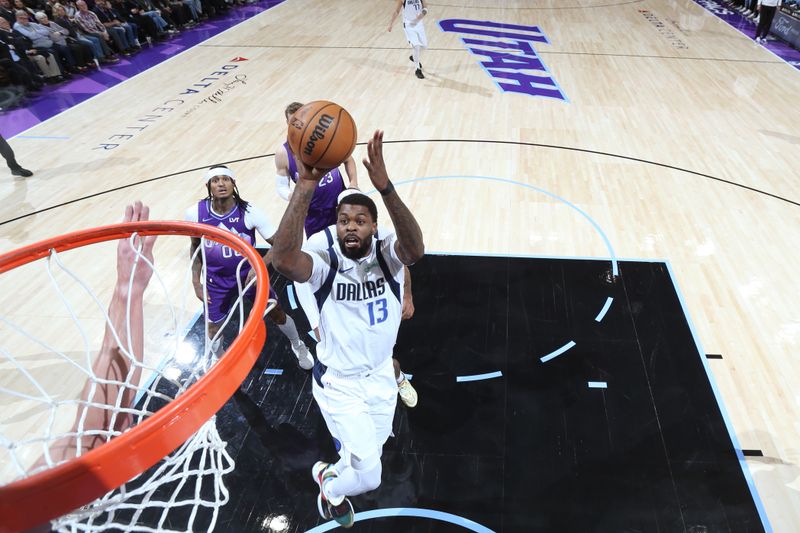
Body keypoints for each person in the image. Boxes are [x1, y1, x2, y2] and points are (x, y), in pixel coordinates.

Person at [271, 130, 425, 527]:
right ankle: (331, 486)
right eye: (343, 222)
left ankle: (333, 472)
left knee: (370, 452)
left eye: (360, 221)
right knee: (370, 474)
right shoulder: (324, 263)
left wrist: (387, 189)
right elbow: (284, 259)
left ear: (374, 226)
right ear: (336, 227)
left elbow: (415, 250)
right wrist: (305, 184)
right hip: (340, 385)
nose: (350, 227)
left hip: (379, 380)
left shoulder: (389, 257)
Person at [185, 165, 313, 369]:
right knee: (213, 327)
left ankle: (298, 345)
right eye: (216, 180)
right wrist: (195, 282)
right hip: (216, 280)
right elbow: (196, 248)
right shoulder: (195, 213)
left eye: (225, 179)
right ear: (208, 185)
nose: (221, 184)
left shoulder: (249, 211)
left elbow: (278, 243)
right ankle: (221, 361)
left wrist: (259, 266)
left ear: (233, 183)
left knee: (276, 311)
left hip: (249, 276)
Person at [304, 189, 419, 409]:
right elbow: (302, 283)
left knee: (382, 358)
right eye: (345, 218)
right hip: (342, 315)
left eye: (360, 218)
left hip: (375, 313)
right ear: (338, 215)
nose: (352, 225)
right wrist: (314, 320)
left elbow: (402, 263)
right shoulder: (319, 241)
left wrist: (407, 294)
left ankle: (398, 378)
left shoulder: (381, 235)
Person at [275, 101, 358, 238]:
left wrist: (353, 182)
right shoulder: (283, 153)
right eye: (293, 123)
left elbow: (348, 159)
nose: (297, 126)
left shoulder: (327, 140)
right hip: (313, 213)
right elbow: (281, 186)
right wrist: (293, 198)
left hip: (341, 207)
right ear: (287, 123)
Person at [387, 0, 428, 79]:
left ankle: (413, 57)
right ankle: (417, 69)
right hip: (409, 25)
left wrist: (422, 14)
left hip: (419, 24)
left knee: (424, 46)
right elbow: (396, 11)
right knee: (416, 46)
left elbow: (425, 7)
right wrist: (391, 24)